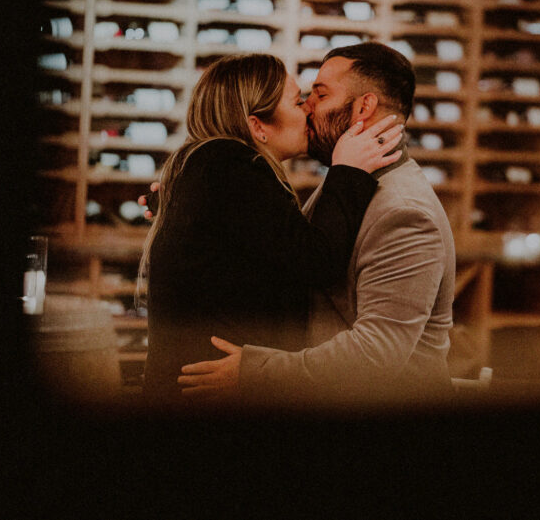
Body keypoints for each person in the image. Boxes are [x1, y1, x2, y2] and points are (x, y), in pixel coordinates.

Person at [172, 42, 457, 406]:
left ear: (363, 107)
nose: (307, 106)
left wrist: (256, 373)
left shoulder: (404, 212)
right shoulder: (350, 175)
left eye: (319, 95)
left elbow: (376, 355)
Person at [139, 53, 403, 403]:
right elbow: (316, 260)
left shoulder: (211, 166)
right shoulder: (232, 166)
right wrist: (348, 172)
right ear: (257, 126)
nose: (309, 109)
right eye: (297, 101)